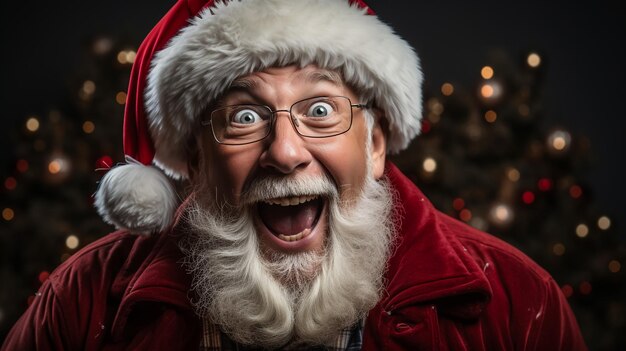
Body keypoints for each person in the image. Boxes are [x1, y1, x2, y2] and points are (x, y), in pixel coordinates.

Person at [2, 0, 587, 350]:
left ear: (376, 144)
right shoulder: (83, 302)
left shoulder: (516, 303)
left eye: (321, 110)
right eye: (245, 116)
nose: (285, 152)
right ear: (197, 161)